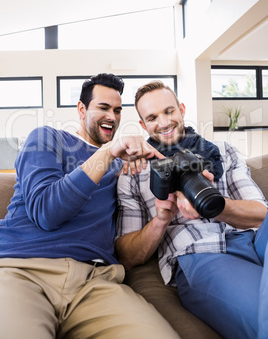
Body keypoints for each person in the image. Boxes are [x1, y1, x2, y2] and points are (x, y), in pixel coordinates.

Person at [0, 74, 180, 339]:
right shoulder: (46, 138)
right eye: (103, 108)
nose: (113, 116)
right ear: (82, 109)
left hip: (95, 281)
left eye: (118, 110)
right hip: (22, 269)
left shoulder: (124, 167)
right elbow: (47, 213)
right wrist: (107, 154)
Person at [115, 80, 268, 339]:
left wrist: (211, 204)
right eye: (152, 117)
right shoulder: (134, 171)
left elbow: (261, 213)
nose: (163, 123)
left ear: (182, 109)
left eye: (169, 111)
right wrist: (161, 219)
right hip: (203, 255)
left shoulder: (221, 152)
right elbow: (127, 256)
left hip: (254, 238)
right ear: (143, 125)